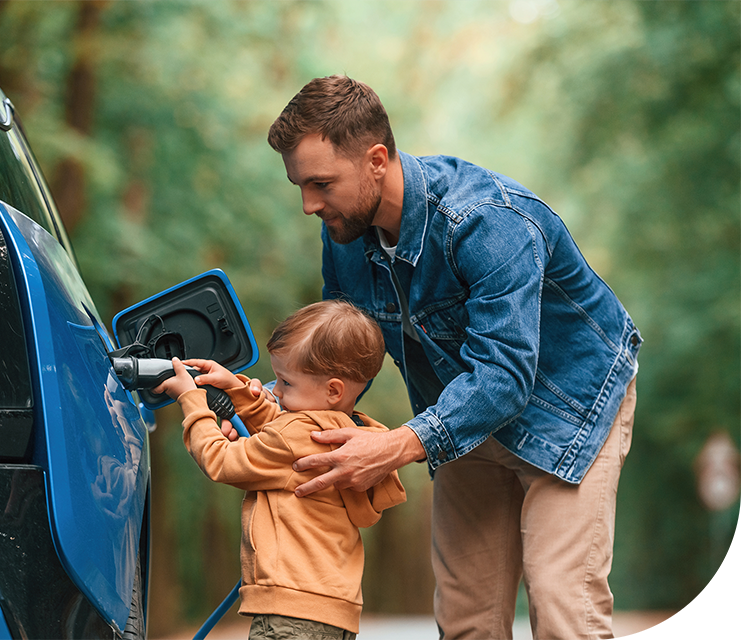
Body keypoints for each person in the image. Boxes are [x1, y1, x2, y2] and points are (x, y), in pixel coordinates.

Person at [263, 75, 641, 639]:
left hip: (566, 406)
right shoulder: (344, 233)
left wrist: (394, 447)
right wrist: (265, 404)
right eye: (300, 186)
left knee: (563, 607)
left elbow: (505, 375)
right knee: (468, 620)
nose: (308, 205)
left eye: (321, 184)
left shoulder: (488, 222)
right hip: (461, 411)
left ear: (376, 160)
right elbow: (333, 364)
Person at [155, 299, 407, 640]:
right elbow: (282, 427)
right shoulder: (351, 435)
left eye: (286, 382)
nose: (275, 391)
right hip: (334, 610)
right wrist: (235, 390)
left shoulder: (293, 438)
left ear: (333, 390)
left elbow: (220, 460)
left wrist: (192, 401)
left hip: (290, 612)